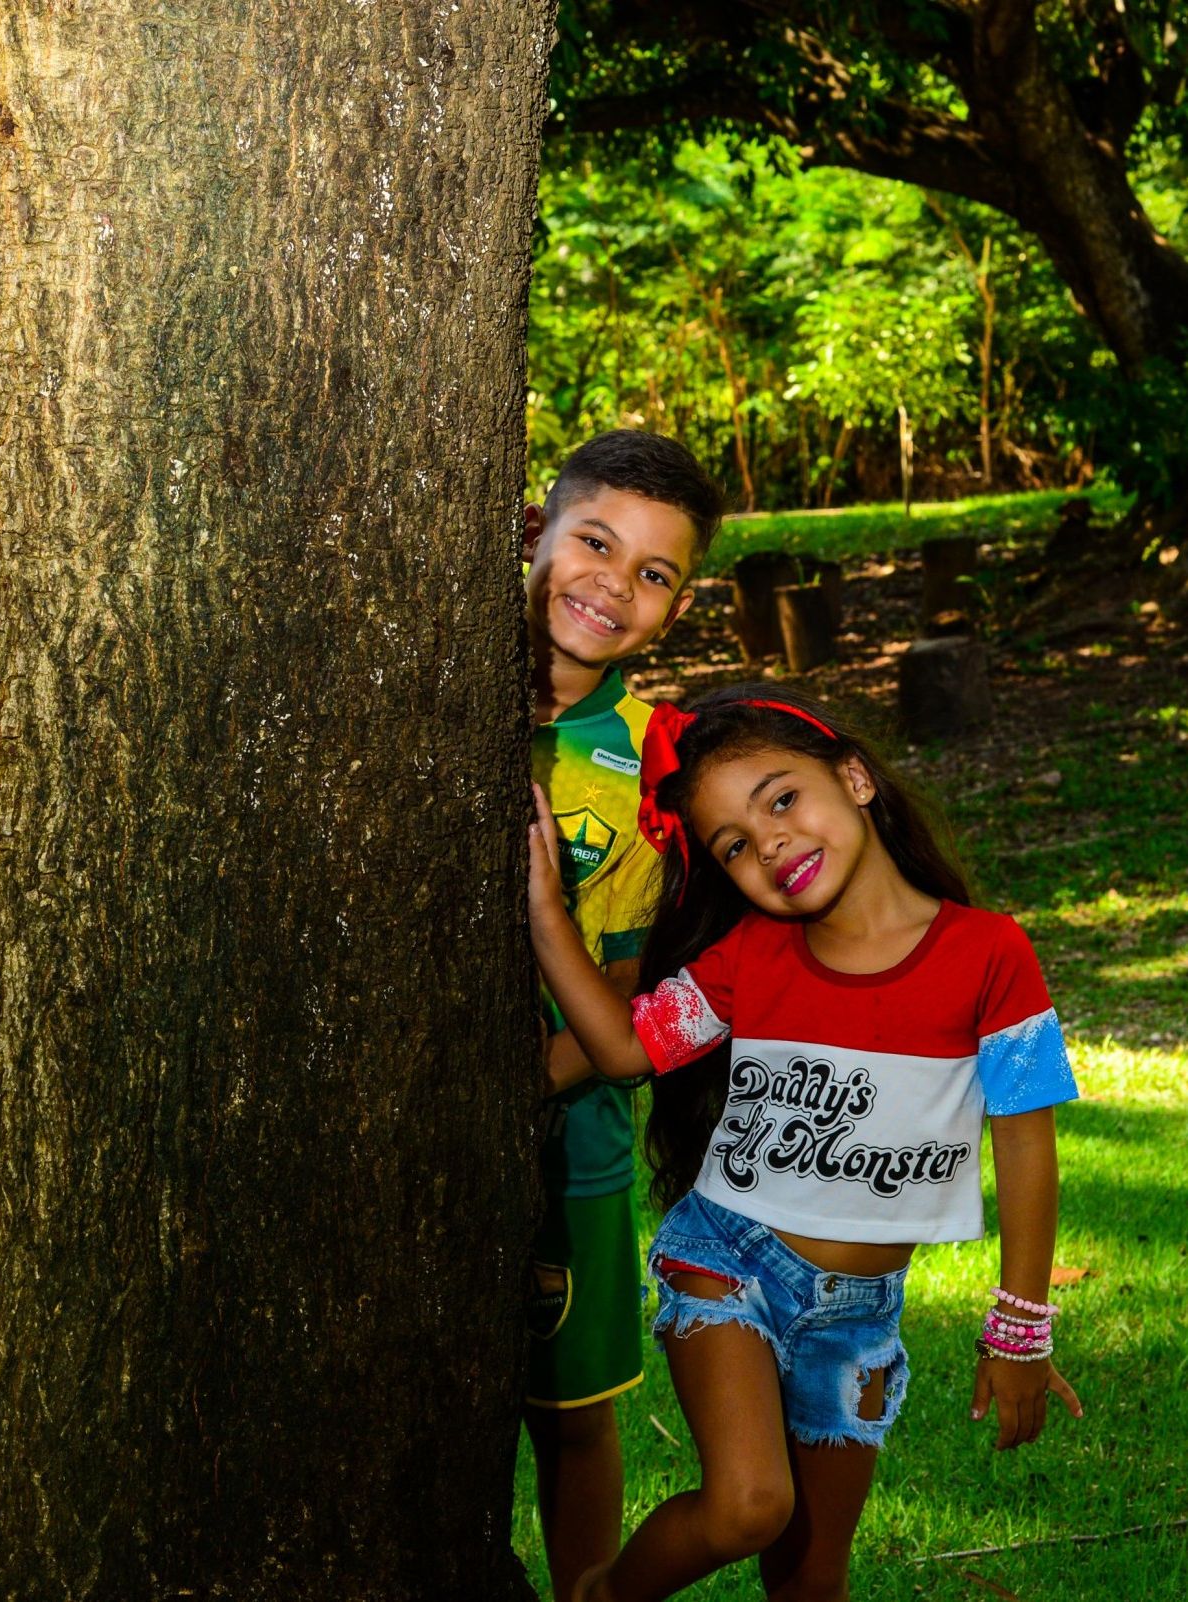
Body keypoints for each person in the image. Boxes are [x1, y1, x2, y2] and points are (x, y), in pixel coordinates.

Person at [527, 684, 1083, 1602]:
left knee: (813, 1576)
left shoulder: (989, 956)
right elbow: (625, 1051)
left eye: (781, 799)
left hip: (860, 1312)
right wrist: (549, 915)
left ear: (856, 778)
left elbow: (1027, 1146)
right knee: (751, 1507)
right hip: (728, 1262)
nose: (769, 843)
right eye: (733, 846)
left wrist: (1020, 1332)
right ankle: (599, 1596)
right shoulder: (751, 957)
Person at [521, 430, 724, 1601]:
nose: (612, 584)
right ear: (539, 533)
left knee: (574, 1414)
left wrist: (531, 1080)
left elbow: (652, 992)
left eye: (652, 573)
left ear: (676, 605)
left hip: (573, 1132)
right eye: (593, 542)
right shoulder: (416, 696)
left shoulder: (657, 761)